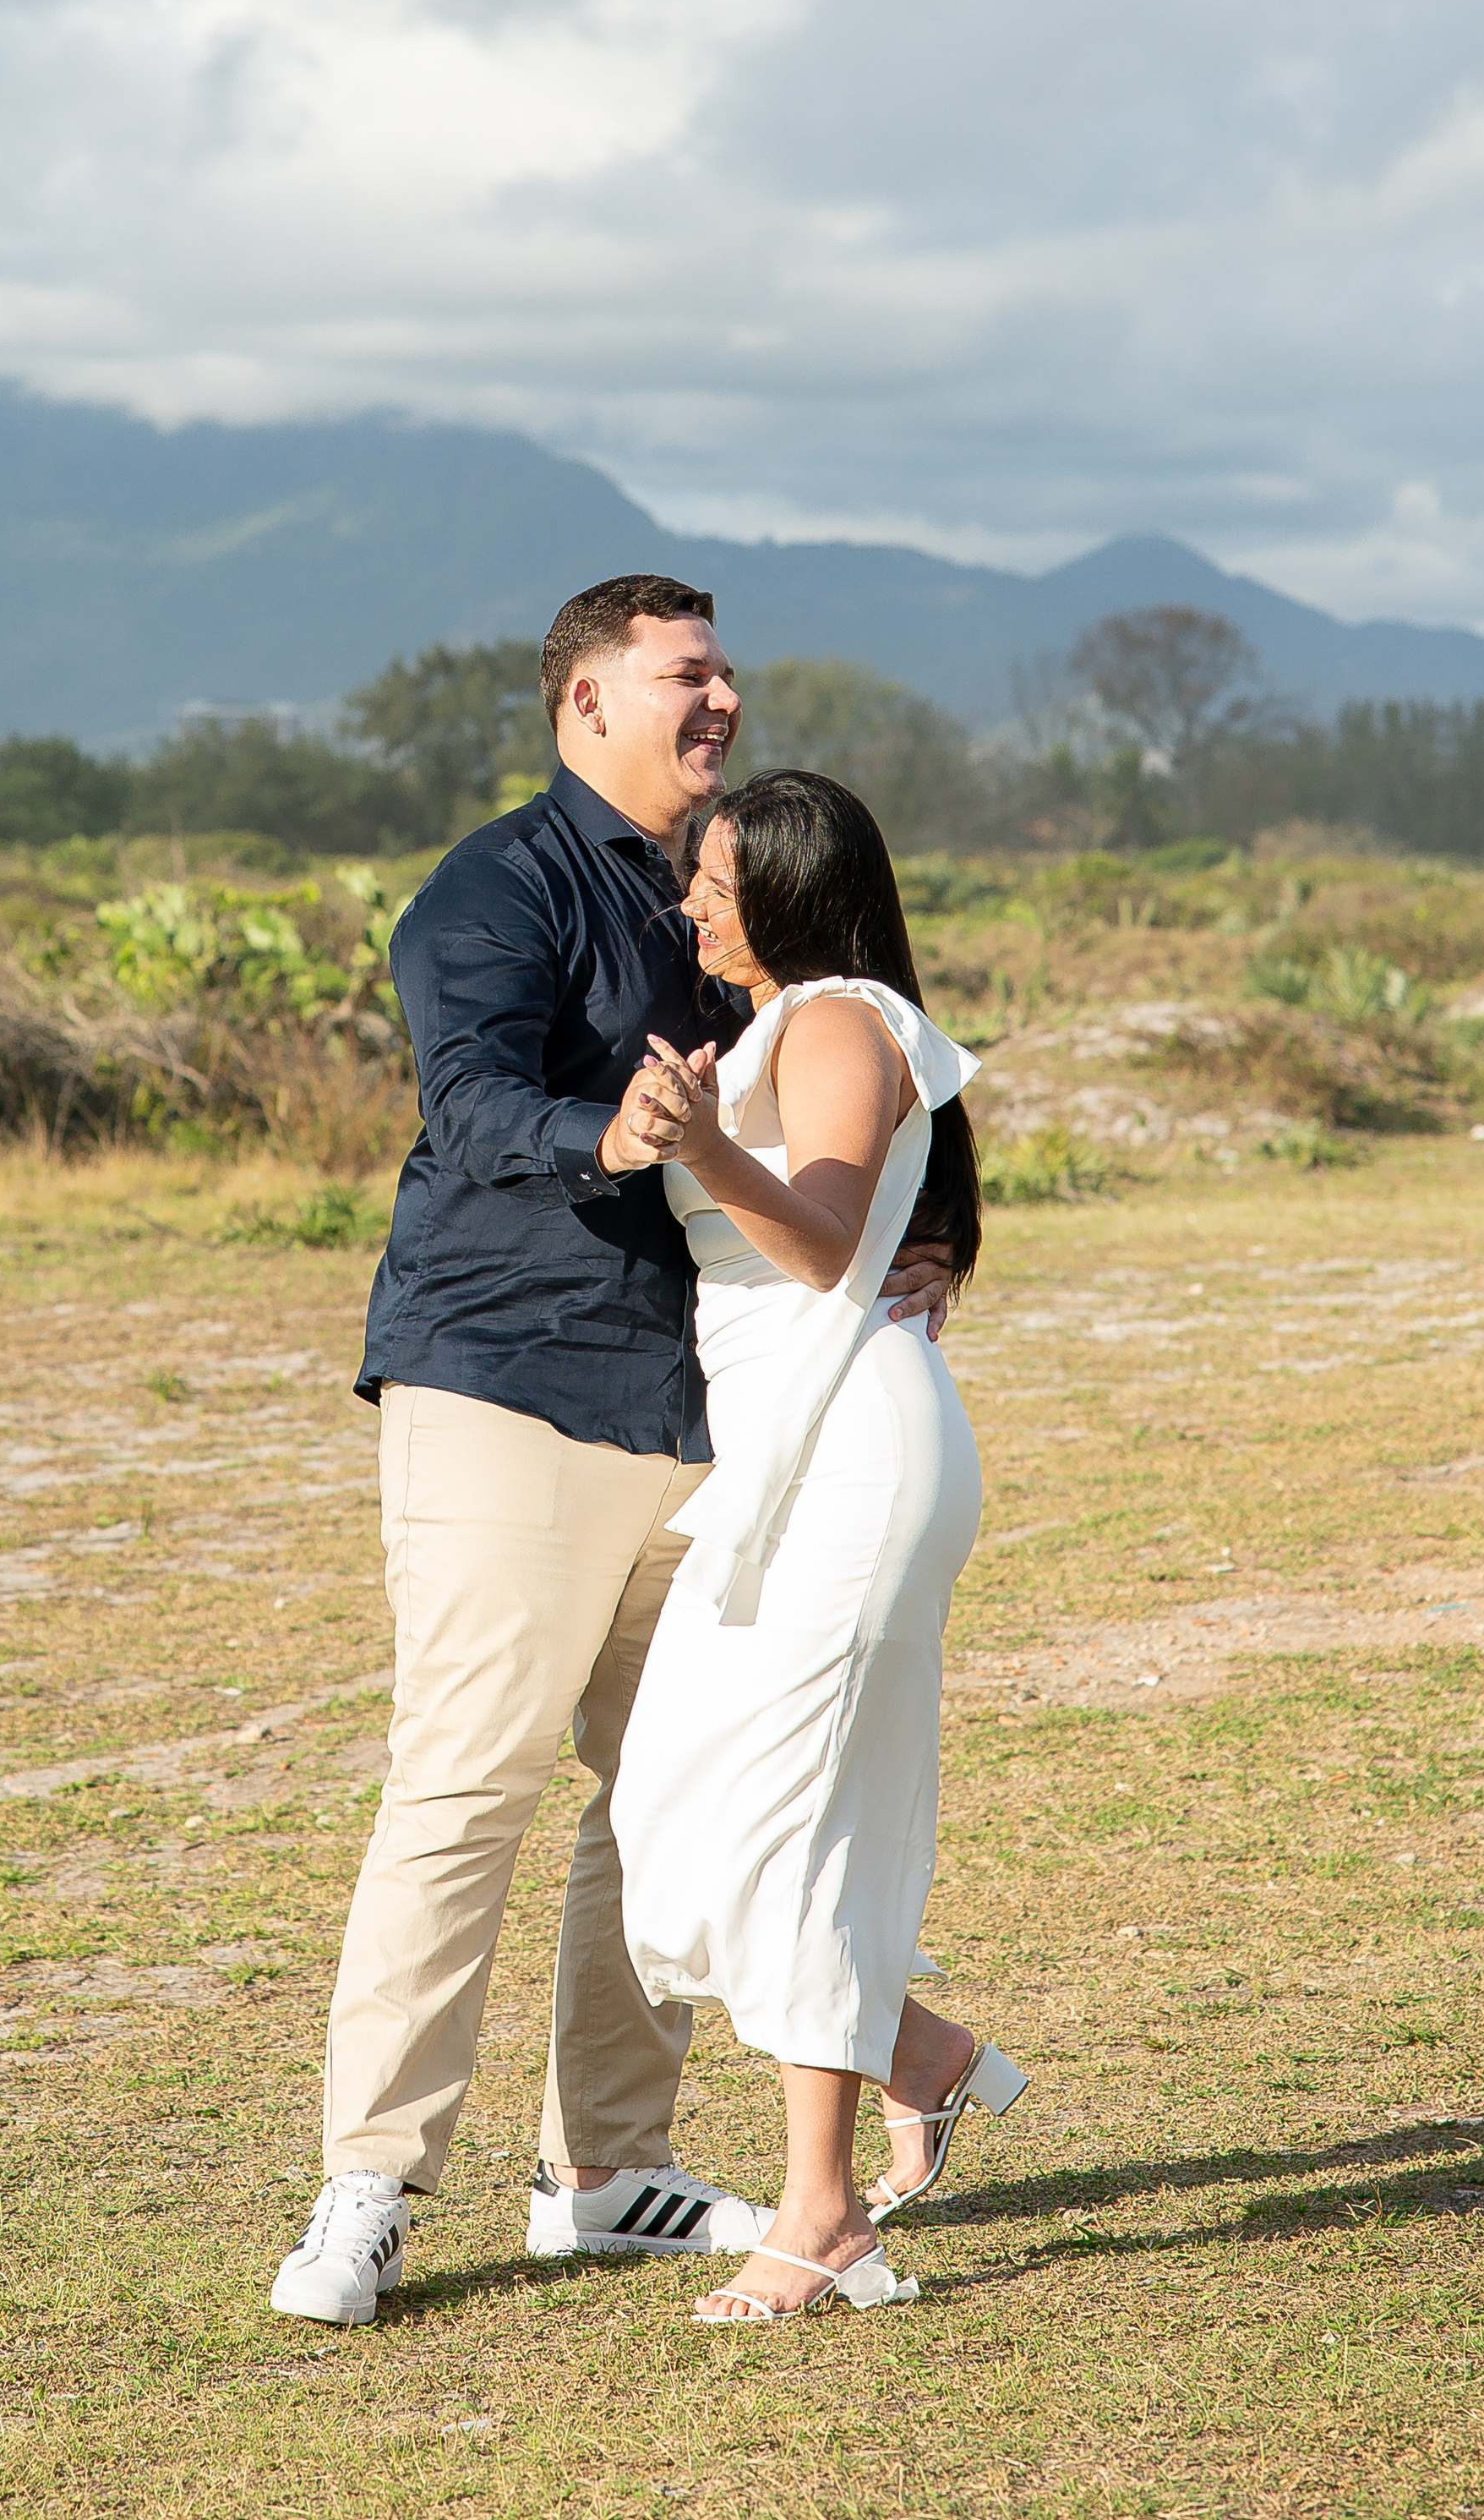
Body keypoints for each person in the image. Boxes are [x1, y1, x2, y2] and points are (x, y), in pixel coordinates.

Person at [269, 582, 951, 2328]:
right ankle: (368, 2185)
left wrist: (933, 1241)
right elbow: (473, 1101)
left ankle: (607, 2171)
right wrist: (611, 1125)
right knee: (466, 1775)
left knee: (663, 1793)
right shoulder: (492, 888)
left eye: (726, 668)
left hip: (713, 1424)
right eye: (683, 673)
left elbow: (873, 1058)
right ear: (583, 704)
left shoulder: (744, 886)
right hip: (504, 1382)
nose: (720, 694)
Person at [610, 770, 1027, 2326]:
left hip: (857, 1455)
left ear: (787, 888)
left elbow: (832, 1237)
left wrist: (708, 1148)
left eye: (715, 881)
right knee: (673, 1814)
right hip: (783, 1452)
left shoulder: (840, 1015)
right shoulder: (785, 1023)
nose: (692, 904)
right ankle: (915, 2052)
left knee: (797, 1827)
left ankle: (825, 2213)